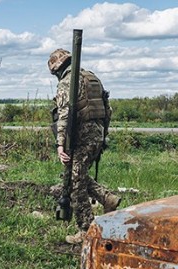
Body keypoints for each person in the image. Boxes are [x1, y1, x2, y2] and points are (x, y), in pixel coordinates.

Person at [48, 48, 121, 244]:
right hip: (97, 133)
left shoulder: (67, 83)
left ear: (57, 68)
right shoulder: (91, 78)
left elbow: (64, 113)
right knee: (77, 175)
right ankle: (108, 199)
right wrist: (102, 134)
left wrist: (60, 144)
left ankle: (86, 229)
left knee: (76, 184)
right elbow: (108, 109)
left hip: (80, 137)